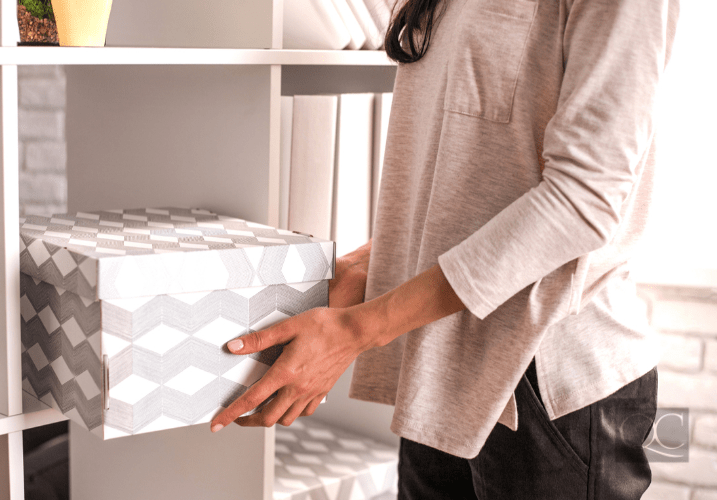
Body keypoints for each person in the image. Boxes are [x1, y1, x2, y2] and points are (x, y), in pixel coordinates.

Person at [211, 0, 680, 497]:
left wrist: (357, 329)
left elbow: (581, 201)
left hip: (548, 385)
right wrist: (366, 267)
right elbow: (485, 170)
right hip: (440, 356)